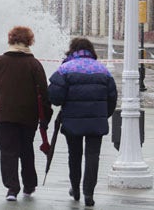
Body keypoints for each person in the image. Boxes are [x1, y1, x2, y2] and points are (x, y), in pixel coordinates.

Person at [48, 38, 117, 207]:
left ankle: (75, 188)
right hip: (96, 122)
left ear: (72, 50)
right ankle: (89, 194)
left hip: (72, 121)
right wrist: (102, 115)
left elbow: (54, 97)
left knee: (75, 155)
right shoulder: (103, 71)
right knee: (93, 156)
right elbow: (112, 98)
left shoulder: (66, 69)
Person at [0, 26, 52, 201]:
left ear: (11, 40)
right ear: (29, 41)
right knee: (26, 149)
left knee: (8, 151)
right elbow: (44, 93)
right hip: (28, 116)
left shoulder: (0, 62)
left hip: (5, 115)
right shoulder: (34, 64)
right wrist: (45, 116)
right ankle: (29, 185)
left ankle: (12, 188)